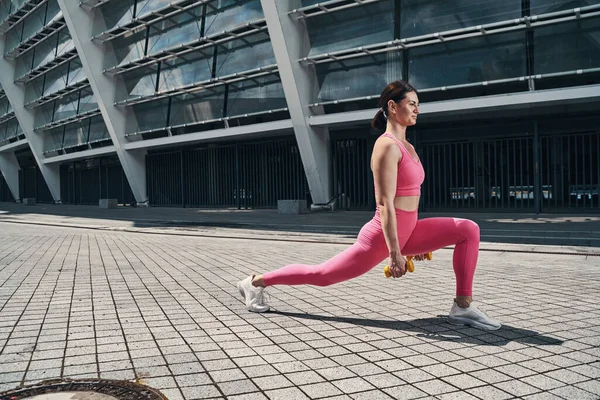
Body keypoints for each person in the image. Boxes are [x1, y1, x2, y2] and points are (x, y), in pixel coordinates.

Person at [237, 80, 501, 331]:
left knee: (468, 229)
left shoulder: (408, 146)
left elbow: (410, 198)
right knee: (322, 274)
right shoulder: (386, 146)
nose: (417, 110)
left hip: (408, 231)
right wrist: (395, 251)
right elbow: (385, 203)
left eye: (418, 104)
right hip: (380, 237)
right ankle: (255, 281)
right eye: (412, 104)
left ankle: (462, 306)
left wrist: (417, 244)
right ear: (393, 107)